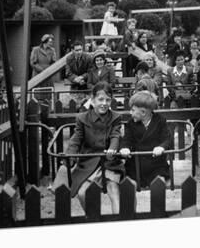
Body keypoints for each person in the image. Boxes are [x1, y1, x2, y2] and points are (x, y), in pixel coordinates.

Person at [53, 82, 124, 214]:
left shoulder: (115, 117)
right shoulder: (82, 118)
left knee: (113, 190)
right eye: (100, 99)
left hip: (108, 161)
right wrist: (71, 155)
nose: (104, 103)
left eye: (108, 100)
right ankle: (95, 219)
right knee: (82, 193)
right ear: (92, 100)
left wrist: (113, 149)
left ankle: (118, 222)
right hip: (89, 162)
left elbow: (116, 135)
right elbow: (76, 139)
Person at [120, 91, 171, 188]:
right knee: (129, 185)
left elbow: (167, 138)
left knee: (159, 184)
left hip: (156, 163)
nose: (130, 112)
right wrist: (125, 148)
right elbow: (127, 139)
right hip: (136, 164)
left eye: (133, 110)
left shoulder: (160, 121)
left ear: (143, 112)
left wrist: (161, 147)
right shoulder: (131, 123)